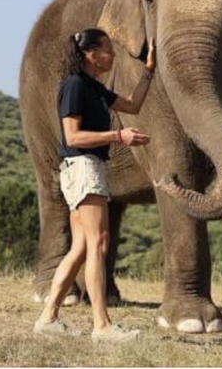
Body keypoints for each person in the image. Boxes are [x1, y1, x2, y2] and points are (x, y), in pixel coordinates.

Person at [33, 28, 155, 343]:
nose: (112, 56)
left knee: (81, 247)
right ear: (90, 54)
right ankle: (102, 326)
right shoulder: (74, 87)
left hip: (87, 167)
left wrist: (149, 72)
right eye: (108, 50)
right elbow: (72, 137)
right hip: (83, 167)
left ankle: (48, 317)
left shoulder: (95, 88)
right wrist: (119, 136)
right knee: (99, 243)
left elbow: (132, 105)